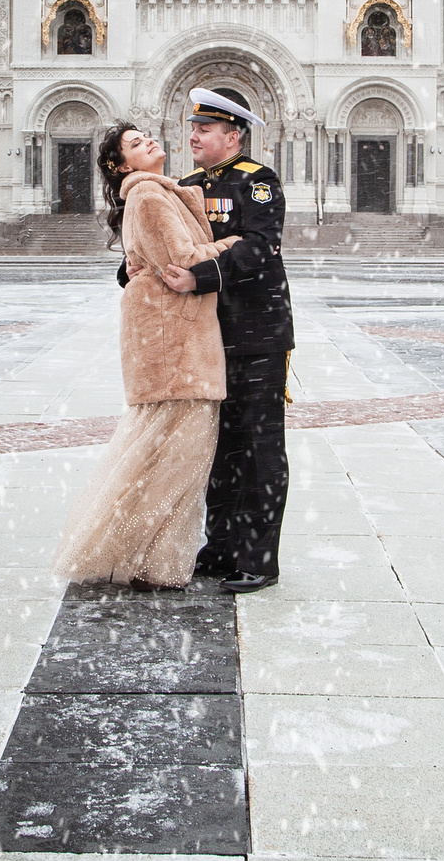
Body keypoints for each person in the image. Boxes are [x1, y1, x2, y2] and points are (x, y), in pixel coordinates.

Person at [121, 86, 294, 593]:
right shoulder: (185, 186)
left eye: (205, 129)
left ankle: (258, 559)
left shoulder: (258, 183)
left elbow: (260, 248)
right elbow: (165, 246)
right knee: (217, 448)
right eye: (192, 128)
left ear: (232, 136)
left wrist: (202, 278)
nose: (193, 136)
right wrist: (130, 267)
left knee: (257, 447)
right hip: (203, 338)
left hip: (257, 334)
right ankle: (219, 548)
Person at [52, 122, 236, 589]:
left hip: (174, 337)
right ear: (123, 165)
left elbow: (160, 255)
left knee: (163, 451)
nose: (149, 142)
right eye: (136, 144)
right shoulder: (150, 197)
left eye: (147, 137)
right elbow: (185, 259)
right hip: (175, 341)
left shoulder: (158, 192)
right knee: (172, 456)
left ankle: (138, 553)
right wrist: (233, 245)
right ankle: (133, 552)